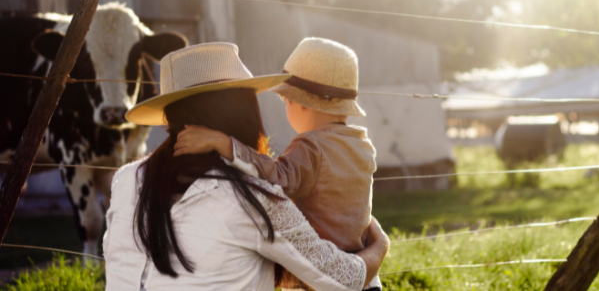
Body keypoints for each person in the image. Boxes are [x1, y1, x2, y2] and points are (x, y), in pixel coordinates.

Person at [103, 42, 390, 291]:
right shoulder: (253, 199)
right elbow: (343, 280)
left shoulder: (127, 180)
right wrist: (380, 246)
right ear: (242, 112)